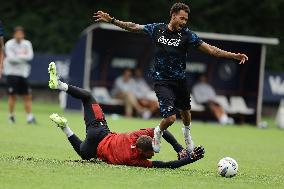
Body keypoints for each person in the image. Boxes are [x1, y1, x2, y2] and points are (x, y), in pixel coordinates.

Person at [94, 2, 248, 153]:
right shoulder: (157, 29)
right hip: (162, 81)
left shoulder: (188, 35)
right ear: (173, 16)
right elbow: (134, 27)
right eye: (182, 18)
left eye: (186, 19)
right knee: (170, 119)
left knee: (186, 114)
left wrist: (233, 55)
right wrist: (112, 20)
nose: (184, 22)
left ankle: (187, 134)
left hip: (180, 81)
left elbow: (211, 50)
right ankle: (157, 133)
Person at [48, 62, 205, 168]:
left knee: (88, 97)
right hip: (95, 146)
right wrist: (187, 158)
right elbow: (166, 165)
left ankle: (60, 85)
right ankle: (65, 128)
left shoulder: (136, 135)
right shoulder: (134, 159)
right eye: (152, 152)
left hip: (100, 131)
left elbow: (162, 132)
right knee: (84, 154)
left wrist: (179, 149)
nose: (154, 152)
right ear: (143, 152)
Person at [3, 26, 36, 124]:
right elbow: (10, 59)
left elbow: (30, 56)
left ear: (23, 35)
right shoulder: (9, 44)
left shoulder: (27, 43)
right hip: (12, 73)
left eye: (21, 34)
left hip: (23, 74)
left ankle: (30, 117)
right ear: (14, 35)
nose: (19, 36)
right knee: (12, 96)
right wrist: (23, 57)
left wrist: (17, 56)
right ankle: (11, 116)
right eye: (17, 34)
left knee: (27, 96)